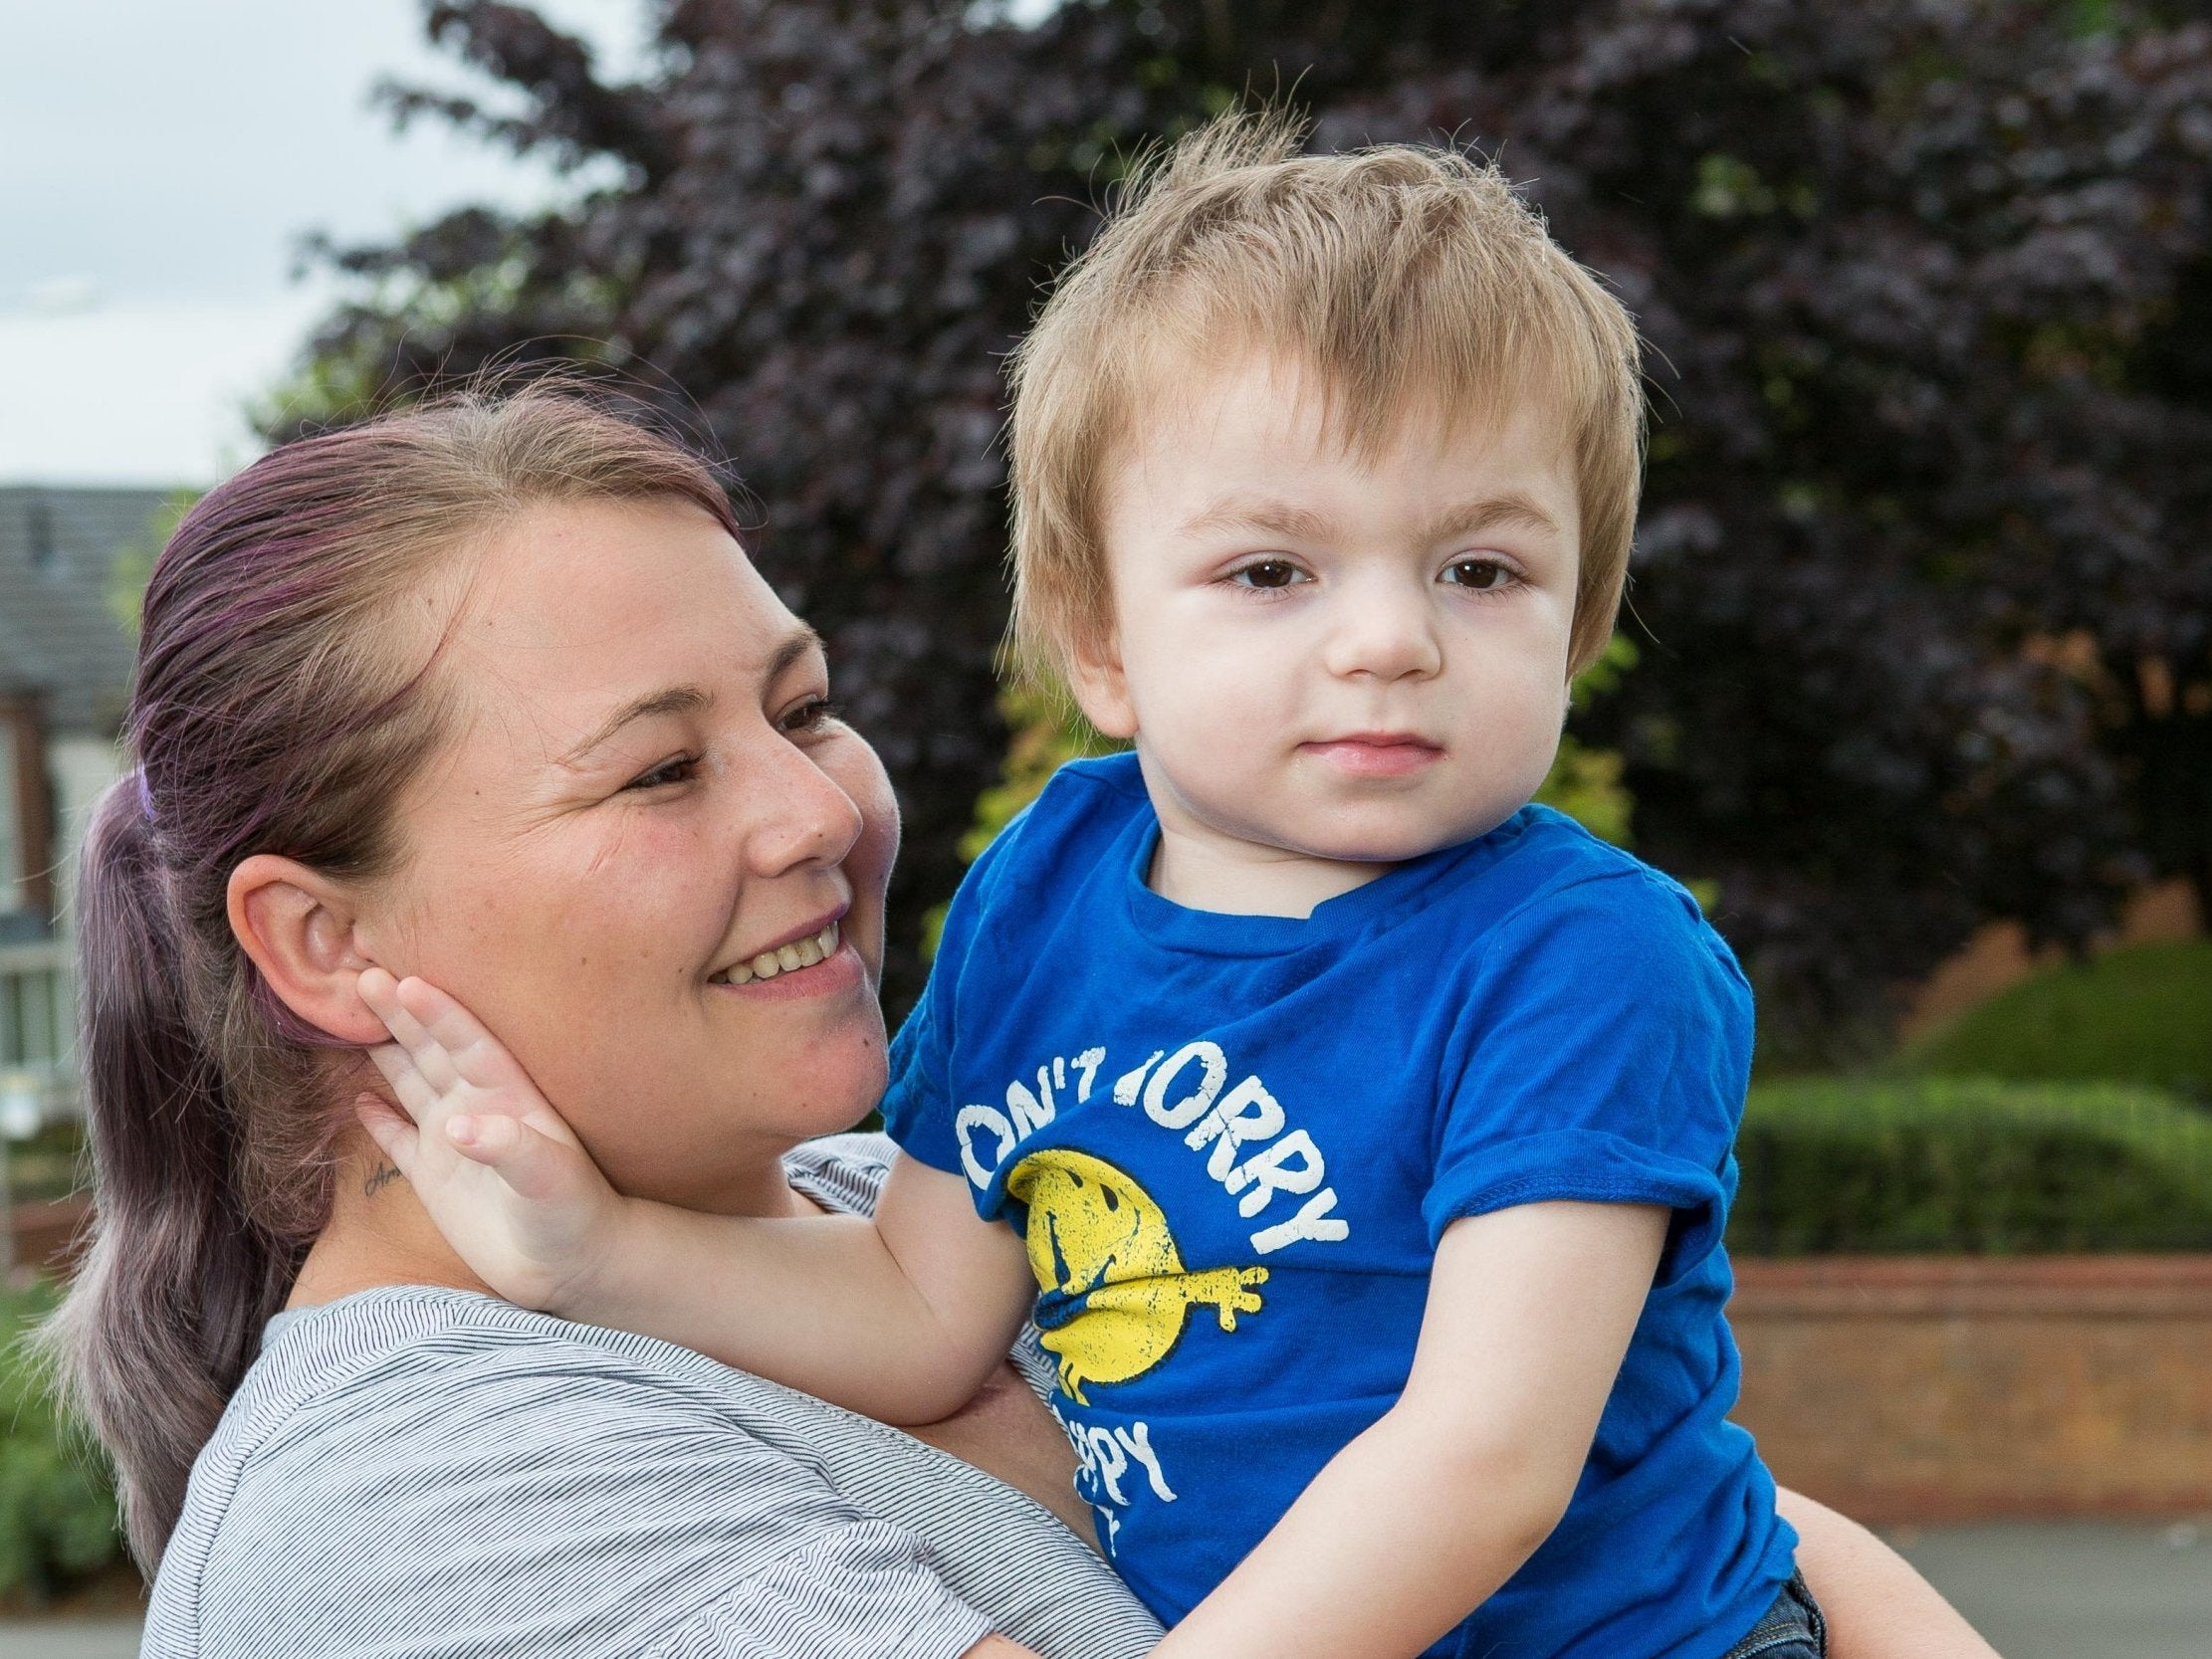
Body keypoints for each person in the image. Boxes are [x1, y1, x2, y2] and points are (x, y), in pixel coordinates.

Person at [351, 123, 1995, 1659]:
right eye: (1271, 571)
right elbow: (929, 1307)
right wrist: (599, 1256)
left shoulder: (1582, 959)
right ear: (1102, 643)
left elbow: (1485, 1459)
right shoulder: (1049, 886)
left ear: (1573, 629)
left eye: (1478, 570)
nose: (1387, 638)